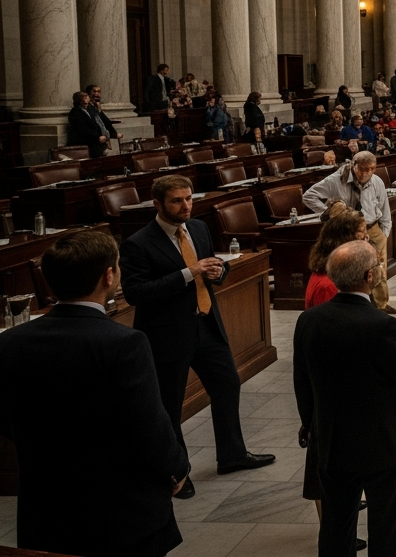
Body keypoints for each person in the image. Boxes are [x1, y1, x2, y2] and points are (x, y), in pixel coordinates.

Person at [0, 230, 189, 557]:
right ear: (110, 275)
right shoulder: (123, 343)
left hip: (45, 506)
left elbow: (5, 421)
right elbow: (149, 424)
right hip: (119, 510)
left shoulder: (10, 342)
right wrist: (176, 468)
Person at [120, 175, 275, 499]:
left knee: (228, 384)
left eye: (189, 198)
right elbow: (135, 293)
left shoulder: (200, 228)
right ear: (158, 204)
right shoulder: (138, 243)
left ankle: (232, 456)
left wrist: (220, 271)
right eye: (177, 200)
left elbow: (212, 265)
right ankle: (177, 471)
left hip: (206, 324)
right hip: (168, 335)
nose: (186, 205)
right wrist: (188, 274)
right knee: (169, 405)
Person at [295, 241, 396, 557]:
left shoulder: (309, 320)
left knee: (335, 529)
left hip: (332, 444)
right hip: (383, 447)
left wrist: (312, 426)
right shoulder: (381, 325)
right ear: (368, 275)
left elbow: (302, 383)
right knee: (388, 530)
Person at [302, 151, 394, 311]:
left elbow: (384, 207)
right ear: (354, 164)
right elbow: (308, 196)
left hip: (373, 228)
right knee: (355, 270)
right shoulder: (335, 180)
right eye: (363, 169)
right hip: (348, 233)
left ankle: (381, 306)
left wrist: (384, 233)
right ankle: (361, 305)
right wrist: (330, 214)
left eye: (371, 169)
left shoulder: (376, 181)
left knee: (378, 270)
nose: (366, 173)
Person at [304, 205, 369, 309]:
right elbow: (331, 323)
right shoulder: (328, 287)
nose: (367, 237)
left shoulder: (339, 276)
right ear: (345, 240)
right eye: (362, 232)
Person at [67, 90, 109, 157]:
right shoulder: (75, 112)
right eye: (84, 103)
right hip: (85, 143)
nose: (86, 104)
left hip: (94, 142)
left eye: (87, 103)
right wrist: (97, 138)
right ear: (79, 102)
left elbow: (95, 124)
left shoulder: (87, 110)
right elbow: (83, 129)